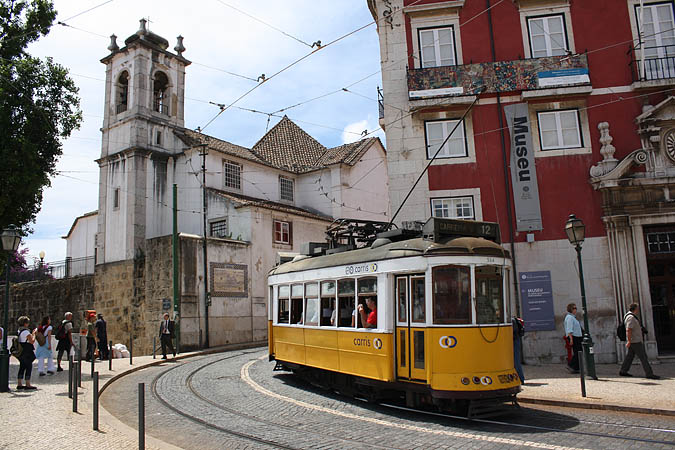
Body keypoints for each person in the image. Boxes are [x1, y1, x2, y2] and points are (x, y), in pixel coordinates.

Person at [620, 303, 660, 380]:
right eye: (637, 308)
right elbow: (628, 329)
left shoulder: (630, 316)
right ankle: (649, 373)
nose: (638, 310)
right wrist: (628, 341)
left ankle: (623, 370)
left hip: (634, 340)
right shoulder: (630, 317)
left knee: (630, 356)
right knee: (643, 357)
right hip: (635, 341)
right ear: (635, 309)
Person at [16, 316, 37, 390]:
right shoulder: (26, 332)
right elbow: (32, 341)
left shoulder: (19, 331)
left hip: (21, 351)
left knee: (22, 367)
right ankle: (28, 384)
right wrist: (34, 334)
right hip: (27, 351)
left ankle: (19, 383)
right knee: (28, 366)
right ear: (25, 323)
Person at [564, 303, 582, 374]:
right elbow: (569, 329)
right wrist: (571, 339)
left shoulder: (573, 317)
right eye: (574, 308)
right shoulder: (569, 317)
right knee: (578, 352)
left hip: (577, 337)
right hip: (574, 337)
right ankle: (571, 365)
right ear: (570, 309)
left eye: (576, 308)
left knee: (578, 352)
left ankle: (576, 367)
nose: (575, 310)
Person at [512, 317, 525, 383]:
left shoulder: (511, 321)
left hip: (514, 341)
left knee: (516, 361)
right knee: (516, 361)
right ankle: (520, 378)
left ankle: (520, 379)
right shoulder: (513, 320)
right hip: (516, 340)